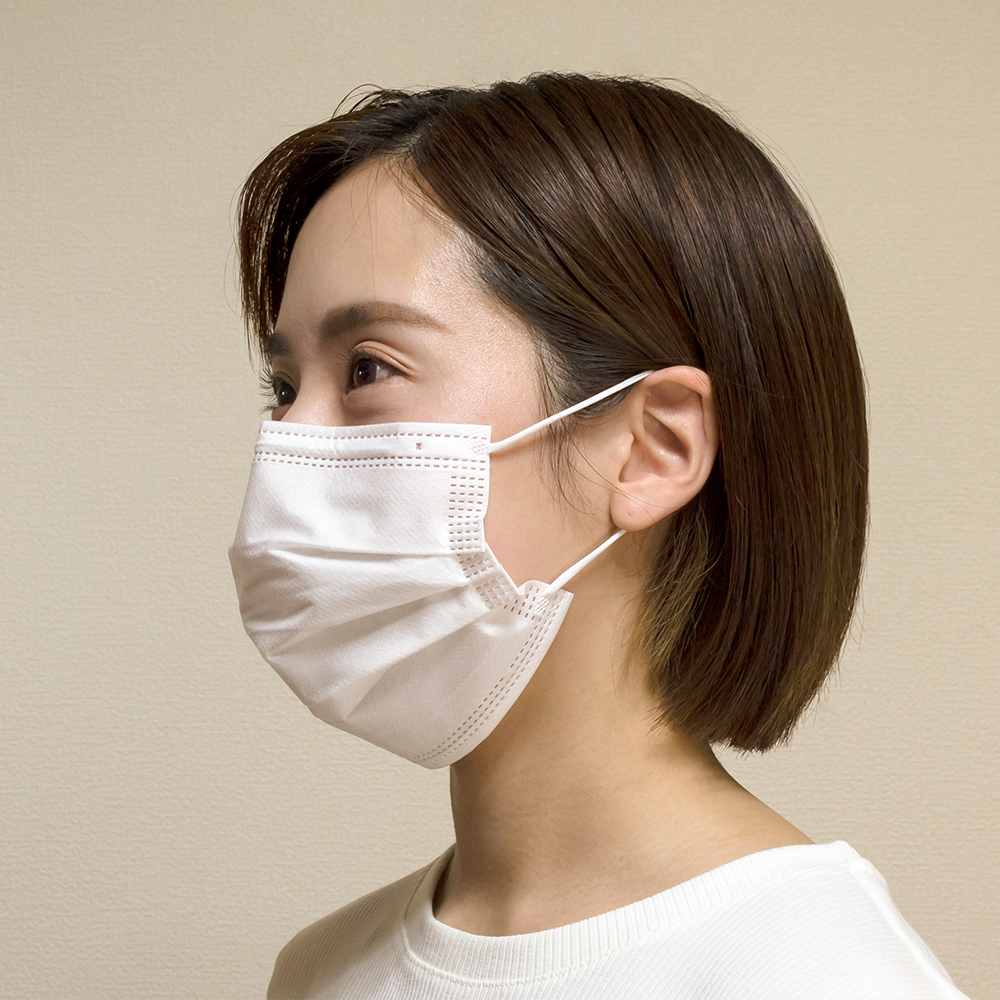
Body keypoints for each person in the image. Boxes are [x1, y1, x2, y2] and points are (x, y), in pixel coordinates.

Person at [229, 74, 969, 999]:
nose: (288, 442)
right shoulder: (319, 972)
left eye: (368, 368)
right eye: (284, 387)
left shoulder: (824, 977)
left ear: (654, 448)